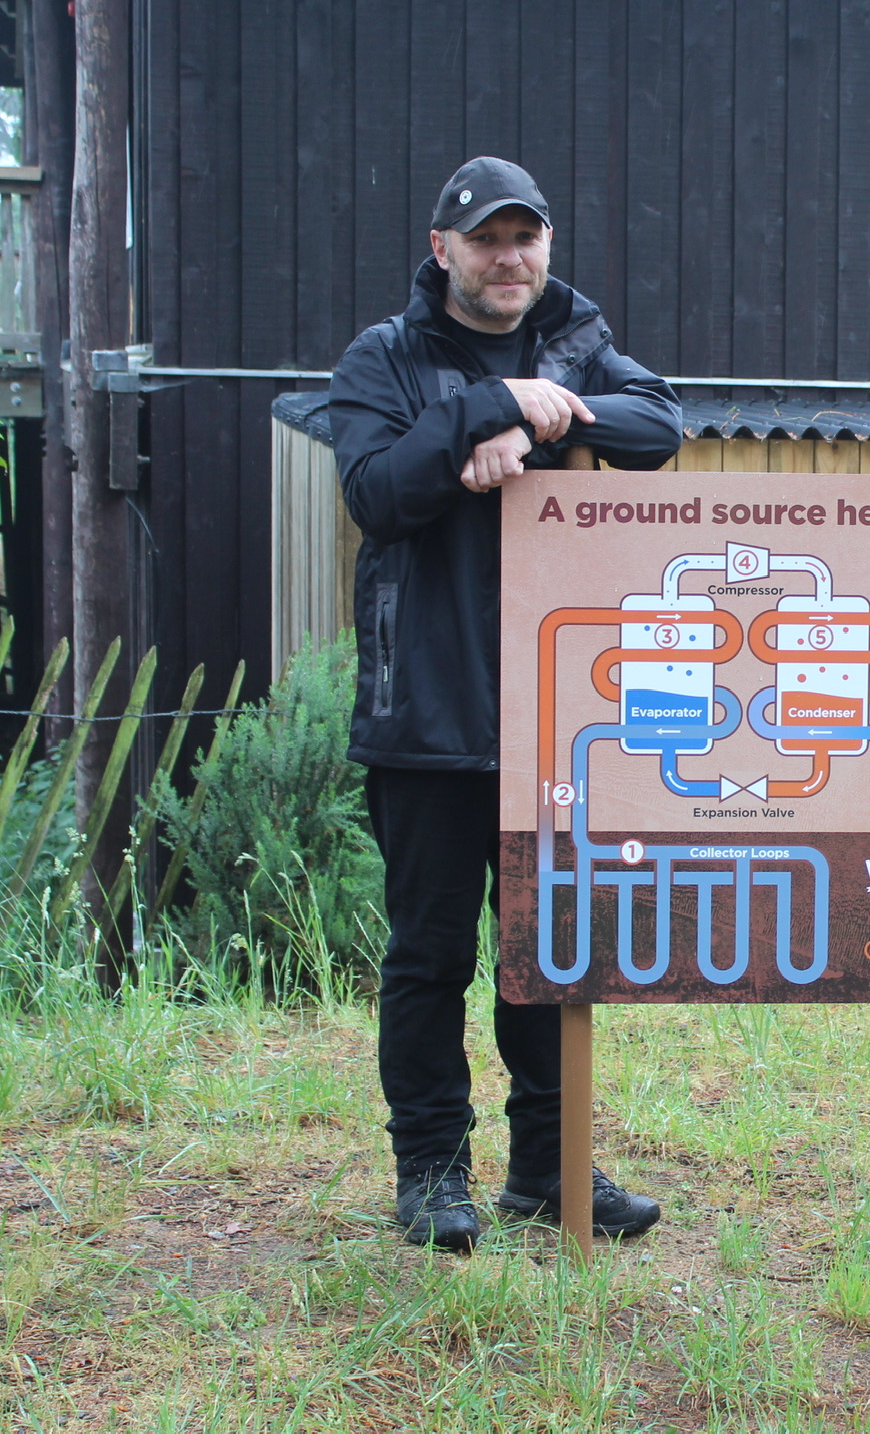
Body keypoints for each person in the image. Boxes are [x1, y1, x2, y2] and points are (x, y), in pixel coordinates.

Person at [329, 156, 682, 1249]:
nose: (508, 257)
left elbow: (660, 427)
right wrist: (484, 405)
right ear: (443, 250)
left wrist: (541, 411)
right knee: (430, 956)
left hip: (556, 721)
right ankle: (432, 1172)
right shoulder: (383, 358)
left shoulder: (575, 340)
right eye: (486, 239)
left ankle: (549, 1167)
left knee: (549, 952)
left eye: (525, 237)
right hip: (427, 714)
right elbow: (377, 491)